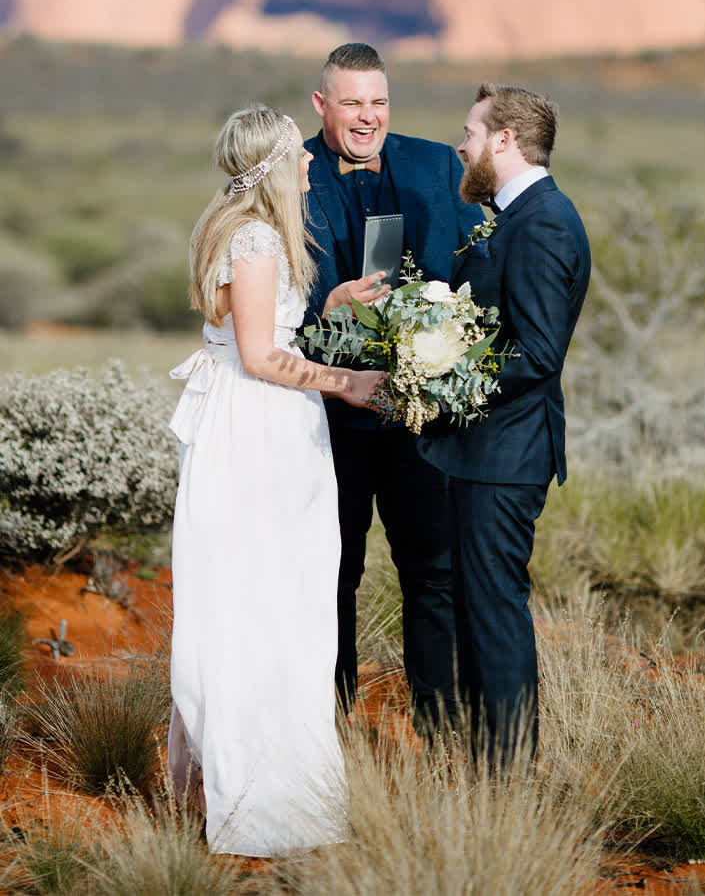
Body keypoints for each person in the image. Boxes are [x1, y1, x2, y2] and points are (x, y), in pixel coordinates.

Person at [167, 105, 385, 856]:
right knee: (271, 600)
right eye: (300, 153)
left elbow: (257, 330)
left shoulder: (237, 229)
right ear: (273, 164)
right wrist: (346, 380)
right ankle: (264, 795)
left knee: (264, 594)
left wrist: (329, 304)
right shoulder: (257, 236)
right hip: (260, 428)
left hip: (252, 421)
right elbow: (261, 356)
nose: (311, 164)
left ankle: (238, 776)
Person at [303, 43, 484, 733]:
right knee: (332, 577)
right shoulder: (292, 174)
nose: (367, 117)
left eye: (378, 102)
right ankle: (330, 727)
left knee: (432, 579)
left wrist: (456, 329)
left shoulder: (436, 164)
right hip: (328, 420)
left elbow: (477, 260)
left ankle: (439, 730)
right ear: (323, 105)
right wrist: (330, 305)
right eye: (352, 102)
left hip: (416, 420)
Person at [419, 82, 591, 767]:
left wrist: (443, 379)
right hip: (481, 452)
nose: (460, 144)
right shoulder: (509, 214)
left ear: (504, 139)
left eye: (469, 130)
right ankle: (486, 766)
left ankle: (509, 777)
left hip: (505, 453)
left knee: (493, 614)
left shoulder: (544, 220)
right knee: (473, 611)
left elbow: (539, 353)